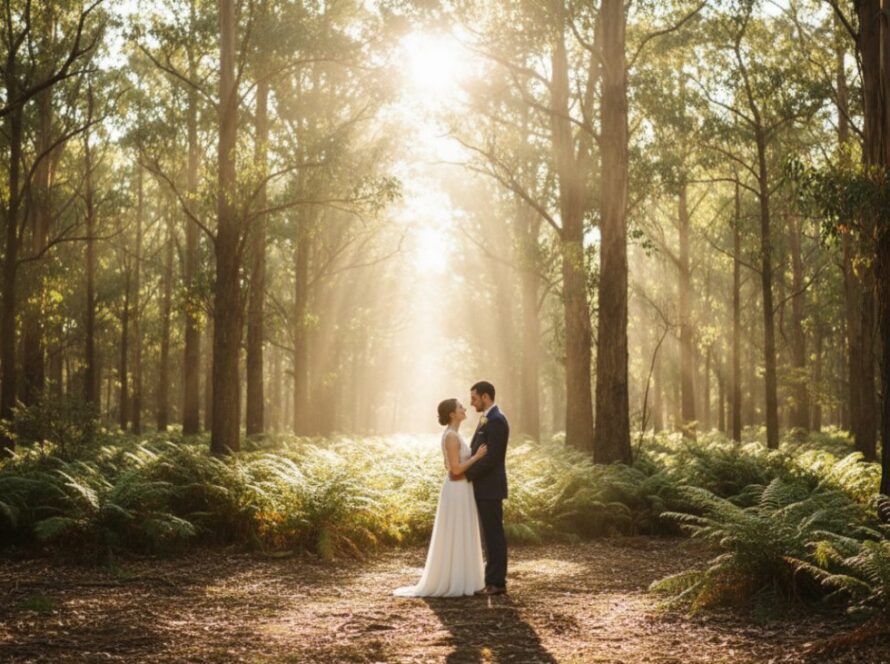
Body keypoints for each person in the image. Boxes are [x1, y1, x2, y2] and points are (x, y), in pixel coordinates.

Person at [393, 398, 488, 597]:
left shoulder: (455, 435)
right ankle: (454, 580)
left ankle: (464, 577)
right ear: (452, 414)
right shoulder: (451, 437)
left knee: (461, 530)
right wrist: (476, 457)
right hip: (456, 488)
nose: (464, 409)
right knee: (456, 530)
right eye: (460, 407)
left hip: (462, 488)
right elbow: (454, 469)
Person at [455, 381, 509, 596]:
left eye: (474, 398)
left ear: (485, 397)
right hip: (483, 487)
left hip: (490, 488)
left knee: (494, 535)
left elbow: (493, 458)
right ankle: (491, 580)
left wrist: (467, 474)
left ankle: (497, 583)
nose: (471, 402)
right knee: (488, 535)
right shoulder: (488, 418)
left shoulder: (497, 420)